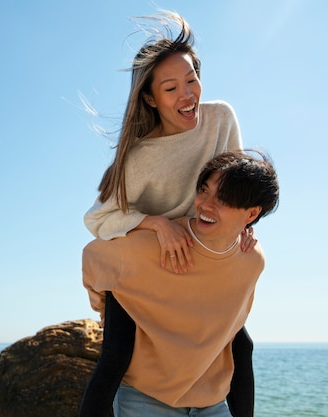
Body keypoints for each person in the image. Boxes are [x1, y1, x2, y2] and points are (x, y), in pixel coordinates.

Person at [80, 11, 255, 417]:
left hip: (202, 251)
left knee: (240, 345)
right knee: (117, 353)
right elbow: (98, 220)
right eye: (171, 87)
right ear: (150, 98)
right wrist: (156, 223)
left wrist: (247, 223)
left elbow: (237, 178)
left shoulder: (221, 119)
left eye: (191, 79)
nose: (186, 94)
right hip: (147, 263)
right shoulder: (140, 158)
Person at [83, 151, 280, 417]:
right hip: (146, 398)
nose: (205, 205)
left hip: (212, 402)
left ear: (251, 214)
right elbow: (94, 256)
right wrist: (113, 307)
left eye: (223, 199)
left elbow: (232, 329)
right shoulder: (155, 246)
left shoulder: (251, 260)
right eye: (204, 190)